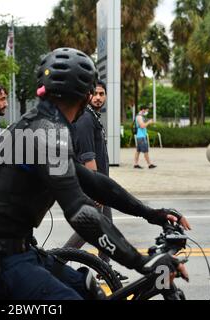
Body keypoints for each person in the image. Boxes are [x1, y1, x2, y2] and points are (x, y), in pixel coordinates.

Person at [0, 47, 190, 300]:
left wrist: (151, 213)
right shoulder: (48, 132)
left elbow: (94, 182)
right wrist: (141, 261)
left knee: (89, 289)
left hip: (13, 248)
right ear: (85, 95)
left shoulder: (39, 123)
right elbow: (79, 211)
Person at [72, 79, 128, 282]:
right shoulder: (86, 119)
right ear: (87, 96)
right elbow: (88, 157)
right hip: (93, 186)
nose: (98, 98)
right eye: (94, 94)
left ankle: (104, 269)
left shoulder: (93, 118)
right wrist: (96, 190)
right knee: (86, 230)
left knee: (107, 228)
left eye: (101, 94)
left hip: (99, 185)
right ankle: (56, 261)